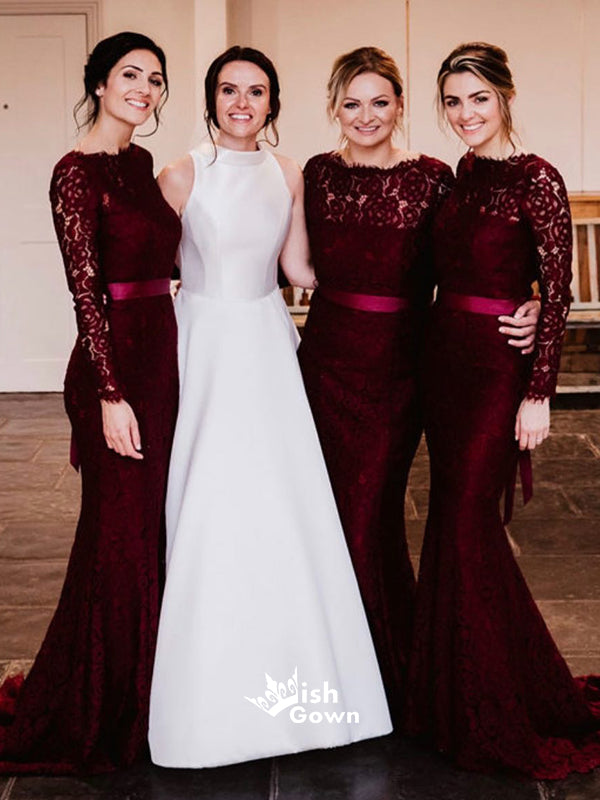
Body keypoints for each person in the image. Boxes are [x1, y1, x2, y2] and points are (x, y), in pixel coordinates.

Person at [148, 46, 392, 769]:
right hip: (204, 342)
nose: (242, 103)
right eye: (229, 90)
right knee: (209, 497)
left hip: (266, 342)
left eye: (256, 91)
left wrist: (389, 282)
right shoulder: (180, 173)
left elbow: (299, 269)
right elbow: (145, 263)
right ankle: (208, 684)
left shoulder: (289, 174)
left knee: (282, 499)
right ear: (210, 99)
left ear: (273, 103)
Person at [297, 46, 539, 721]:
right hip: (324, 367)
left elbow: (477, 255)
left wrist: (533, 301)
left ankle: (381, 674)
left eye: (380, 102)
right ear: (334, 108)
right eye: (352, 103)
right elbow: (280, 252)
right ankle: (329, 669)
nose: (366, 116)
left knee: (371, 517)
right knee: (326, 519)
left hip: (400, 372)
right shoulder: (316, 174)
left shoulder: (435, 178)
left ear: (401, 106)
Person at [406, 42, 600, 779]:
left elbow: (561, 286)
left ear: (506, 98)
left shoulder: (537, 177)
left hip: (495, 370)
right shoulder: (456, 177)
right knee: (454, 526)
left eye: (478, 98)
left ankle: (495, 699)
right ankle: (452, 695)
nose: (466, 113)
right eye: (453, 101)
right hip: (443, 364)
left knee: (467, 522)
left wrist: (538, 390)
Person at [0, 32, 181, 774]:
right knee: (120, 537)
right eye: (130, 74)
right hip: (115, 373)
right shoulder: (73, 173)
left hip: (163, 362)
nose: (144, 88)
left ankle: (153, 690)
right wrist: (110, 394)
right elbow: (86, 295)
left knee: (152, 532)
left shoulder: (140, 164)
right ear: (99, 83)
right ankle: (105, 703)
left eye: (156, 79)